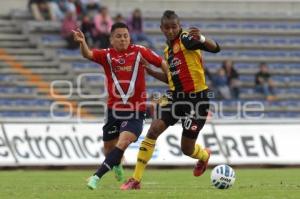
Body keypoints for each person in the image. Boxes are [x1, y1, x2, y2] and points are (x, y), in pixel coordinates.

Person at [121, 10, 221, 190]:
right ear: (161, 29)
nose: (171, 30)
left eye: (174, 27)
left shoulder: (185, 39)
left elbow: (215, 48)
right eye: (167, 28)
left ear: (179, 25)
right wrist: (151, 72)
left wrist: (204, 39)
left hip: (197, 100)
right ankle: (135, 179)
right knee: (153, 130)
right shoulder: (168, 50)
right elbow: (171, 78)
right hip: (175, 98)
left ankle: (204, 156)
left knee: (187, 149)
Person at [72, 22, 168, 190]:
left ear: (129, 37)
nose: (123, 39)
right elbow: (87, 54)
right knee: (109, 149)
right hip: (113, 110)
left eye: (125, 35)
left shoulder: (140, 51)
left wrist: (172, 79)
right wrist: (82, 42)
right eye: (118, 36)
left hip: (135, 111)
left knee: (122, 143)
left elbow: (161, 62)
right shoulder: (106, 55)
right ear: (111, 39)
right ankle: (116, 164)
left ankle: (96, 177)